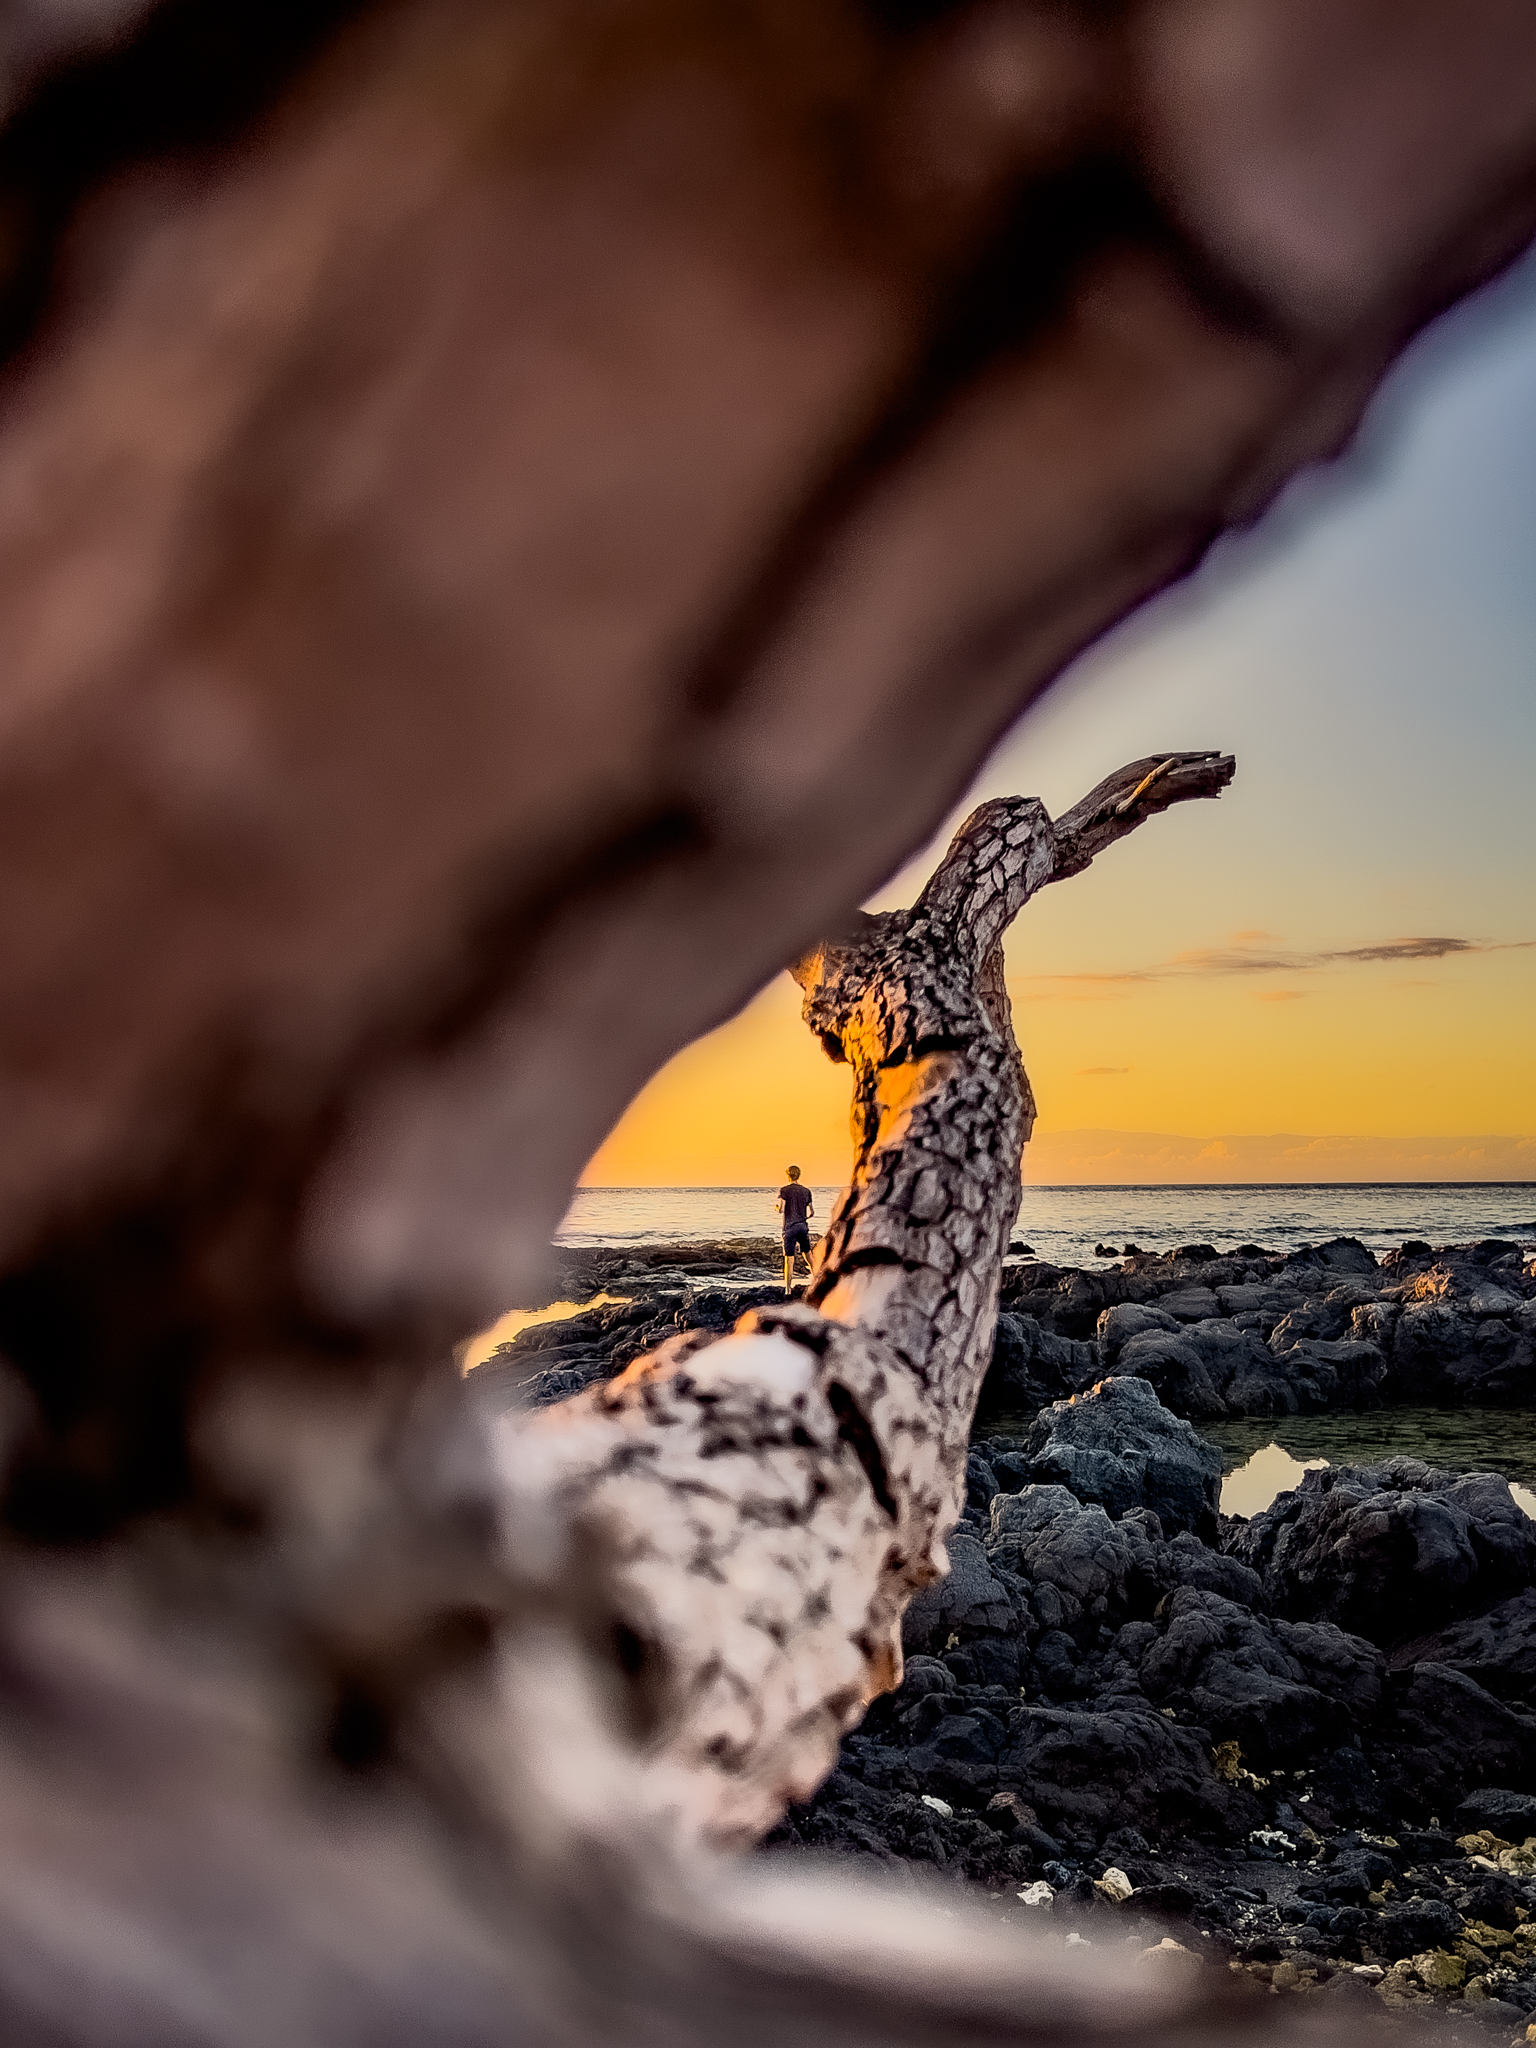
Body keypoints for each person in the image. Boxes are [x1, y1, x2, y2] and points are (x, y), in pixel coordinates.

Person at [776, 1166, 814, 1294]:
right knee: (808, 1255)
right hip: (802, 1226)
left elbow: (781, 1209)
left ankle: (787, 1289)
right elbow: (812, 1212)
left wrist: (775, 1207)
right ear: (799, 1175)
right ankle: (817, 1281)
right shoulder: (806, 1191)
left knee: (789, 1259)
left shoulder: (784, 1190)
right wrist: (803, 1217)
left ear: (788, 1175)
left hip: (790, 1227)